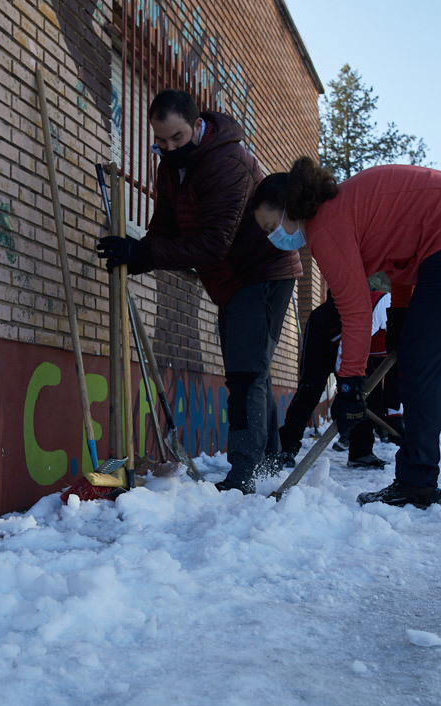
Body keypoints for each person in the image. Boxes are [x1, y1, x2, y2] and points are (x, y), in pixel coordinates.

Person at [251, 158, 441, 509]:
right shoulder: (347, 205)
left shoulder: (324, 225)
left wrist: (349, 384)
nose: (272, 237)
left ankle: (416, 481)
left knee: (421, 359)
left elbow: (355, 311)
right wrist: (398, 316)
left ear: (290, 207)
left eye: (272, 226)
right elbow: (405, 259)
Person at [96, 90, 302, 494]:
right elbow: (166, 227)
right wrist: (137, 251)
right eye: (161, 141)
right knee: (251, 365)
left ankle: (246, 471)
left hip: (263, 270)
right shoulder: (172, 167)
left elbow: (213, 243)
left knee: (245, 373)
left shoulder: (226, 163)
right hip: (229, 278)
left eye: (177, 137)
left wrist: (149, 253)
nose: (169, 148)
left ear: (196, 125)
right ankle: (271, 459)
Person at [277, 288, 396, 471]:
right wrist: (347, 390)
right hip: (327, 332)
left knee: (369, 393)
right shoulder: (380, 308)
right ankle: (286, 448)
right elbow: (348, 351)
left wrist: (397, 414)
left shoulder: (410, 335)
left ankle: (361, 453)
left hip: (364, 347)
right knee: (311, 388)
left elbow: (398, 377)